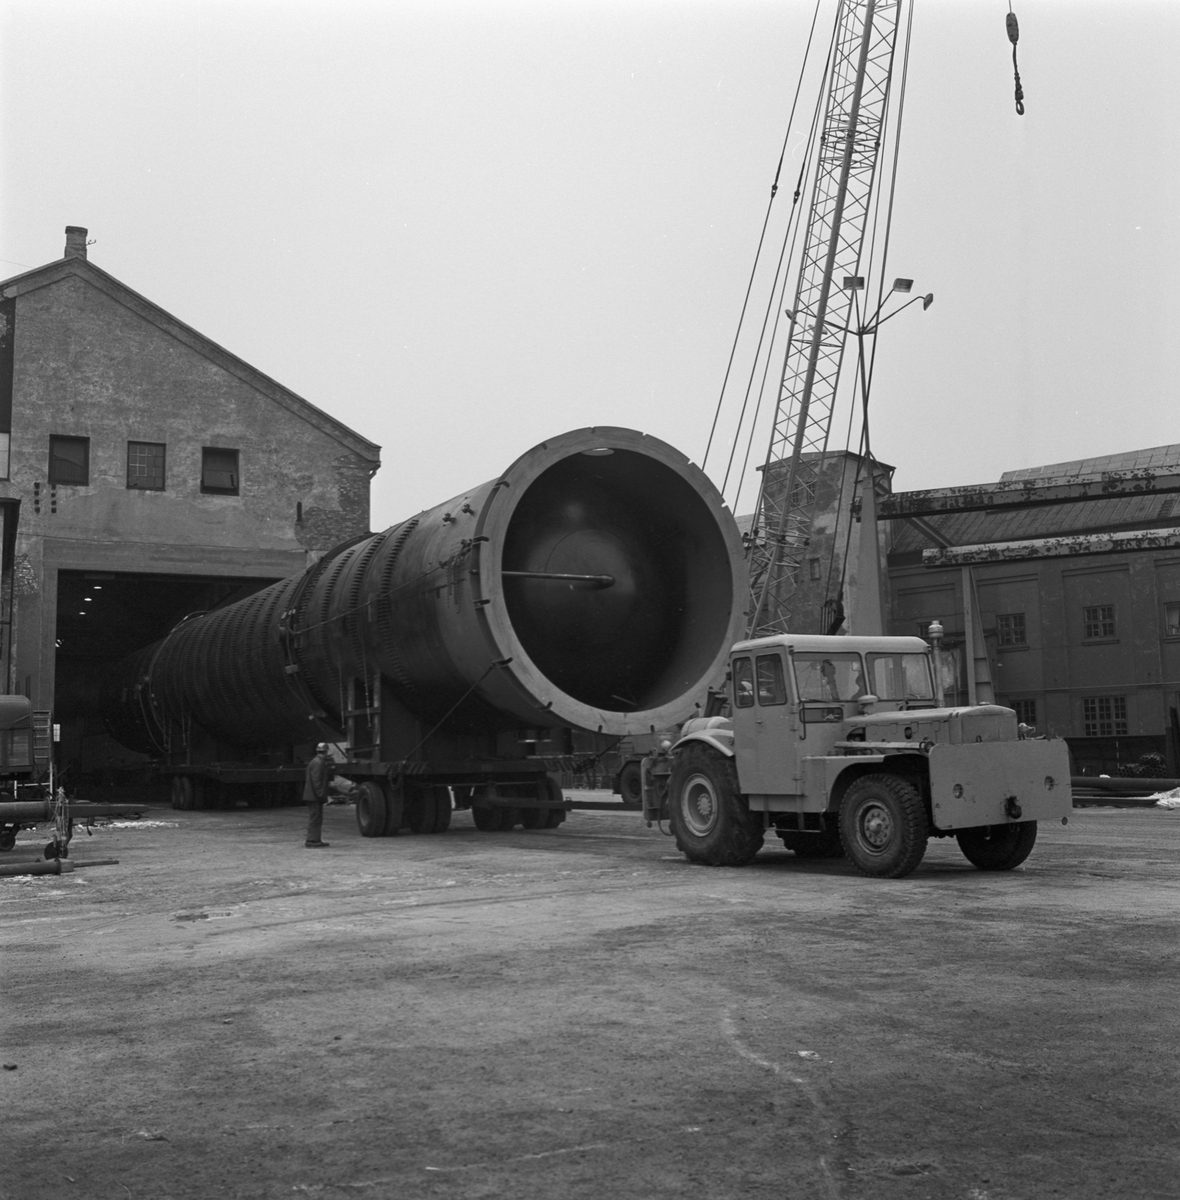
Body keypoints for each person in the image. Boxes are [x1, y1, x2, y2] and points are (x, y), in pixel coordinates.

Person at [304, 743, 335, 848]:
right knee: (315, 818)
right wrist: (322, 795)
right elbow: (317, 781)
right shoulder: (319, 762)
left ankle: (315, 839)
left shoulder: (315, 761)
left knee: (316, 817)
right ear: (326, 751)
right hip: (315, 796)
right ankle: (312, 840)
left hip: (312, 795)